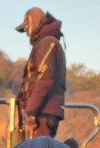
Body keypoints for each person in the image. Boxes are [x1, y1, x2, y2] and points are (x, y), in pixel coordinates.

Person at [15, 8, 66, 139]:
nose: (27, 33)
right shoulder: (47, 42)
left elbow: (45, 80)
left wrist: (31, 113)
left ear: (34, 23)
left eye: (27, 27)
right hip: (42, 111)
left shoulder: (46, 43)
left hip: (41, 114)